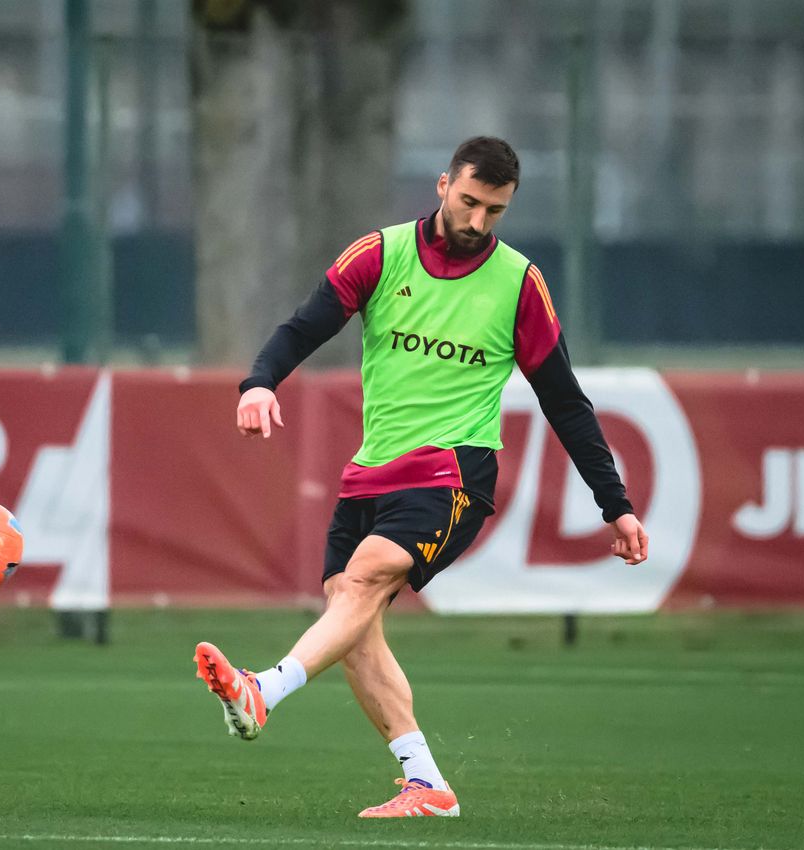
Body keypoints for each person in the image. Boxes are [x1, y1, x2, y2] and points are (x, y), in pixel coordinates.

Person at [193, 137, 649, 819]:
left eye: (493, 210)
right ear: (441, 186)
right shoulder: (379, 255)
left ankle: (264, 690)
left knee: (365, 578)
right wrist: (258, 384)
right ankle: (425, 782)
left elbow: (564, 401)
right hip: (371, 472)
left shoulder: (518, 283)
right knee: (353, 624)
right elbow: (302, 327)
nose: (476, 221)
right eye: (467, 202)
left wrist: (614, 504)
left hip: (454, 471)